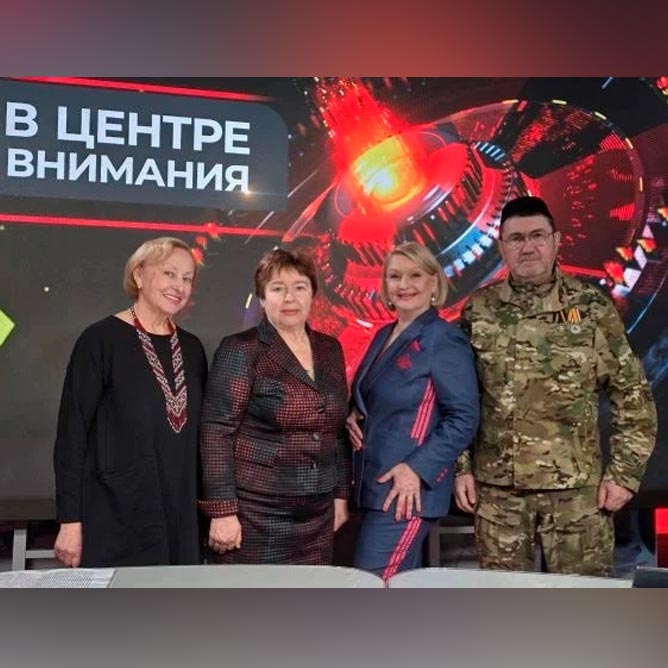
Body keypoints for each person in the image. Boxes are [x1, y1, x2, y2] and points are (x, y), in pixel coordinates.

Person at [454, 195, 658, 576]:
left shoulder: (591, 307)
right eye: (516, 238)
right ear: (502, 246)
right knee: (503, 603)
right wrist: (460, 467)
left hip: (577, 496)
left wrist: (624, 475)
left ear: (556, 240)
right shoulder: (478, 310)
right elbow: (458, 399)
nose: (528, 247)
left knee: (580, 605)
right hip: (499, 496)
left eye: (537, 235)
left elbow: (632, 394)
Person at [53, 237, 207, 568]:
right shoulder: (99, 340)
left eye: (187, 278)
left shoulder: (193, 349)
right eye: (169, 273)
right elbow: (72, 435)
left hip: (181, 516)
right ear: (138, 275)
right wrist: (70, 521)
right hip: (116, 516)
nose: (179, 286)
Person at [199, 248, 350, 565]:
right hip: (256, 514)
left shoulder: (330, 349)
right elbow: (216, 432)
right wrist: (222, 511)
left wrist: (340, 495)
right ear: (262, 298)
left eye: (299, 287)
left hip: (318, 514)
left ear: (313, 294)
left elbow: (335, 431)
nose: (290, 298)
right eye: (278, 288)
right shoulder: (242, 349)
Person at [347, 242, 480, 580]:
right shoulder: (384, 334)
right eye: (395, 276)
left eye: (415, 275)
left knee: (371, 589)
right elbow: (372, 396)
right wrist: (352, 413)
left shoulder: (443, 338)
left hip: (405, 492)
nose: (404, 285)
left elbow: (463, 416)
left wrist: (417, 469)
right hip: (372, 487)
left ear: (434, 282)